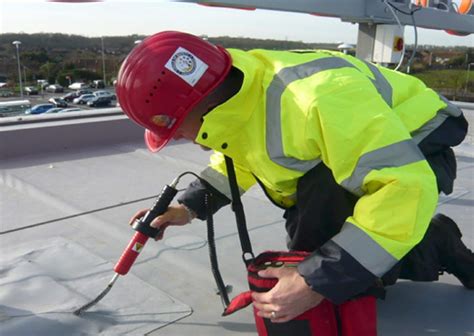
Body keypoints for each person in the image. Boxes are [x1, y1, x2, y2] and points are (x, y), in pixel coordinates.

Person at [117, 31, 473, 324]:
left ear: (200, 103)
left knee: (329, 248)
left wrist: (315, 280)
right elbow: (241, 154)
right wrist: (186, 209)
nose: (178, 137)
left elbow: (403, 188)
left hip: (418, 139)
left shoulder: (318, 99)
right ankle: (395, 253)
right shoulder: (235, 92)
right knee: (317, 247)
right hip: (344, 157)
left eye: (176, 128)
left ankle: (436, 243)